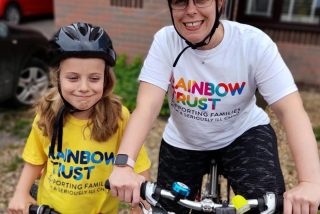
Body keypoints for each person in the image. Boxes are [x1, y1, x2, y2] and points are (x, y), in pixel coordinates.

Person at [108, 0, 320, 213]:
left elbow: (291, 111)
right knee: (168, 208)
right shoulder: (166, 41)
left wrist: (310, 183)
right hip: (185, 140)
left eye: (201, 0)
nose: (190, 10)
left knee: (267, 206)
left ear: (220, 3)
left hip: (242, 134)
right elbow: (147, 106)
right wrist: (124, 165)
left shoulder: (253, 43)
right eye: (180, 1)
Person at [7, 22, 151, 214]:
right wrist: (20, 193)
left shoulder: (118, 116)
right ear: (57, 78)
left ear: (106, 79)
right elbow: (35, 159)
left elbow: (139, 164)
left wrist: (140, 205)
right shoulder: (47, 113)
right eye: (73, 78)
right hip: (50, 208)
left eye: (94, 78)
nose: (83, 87)